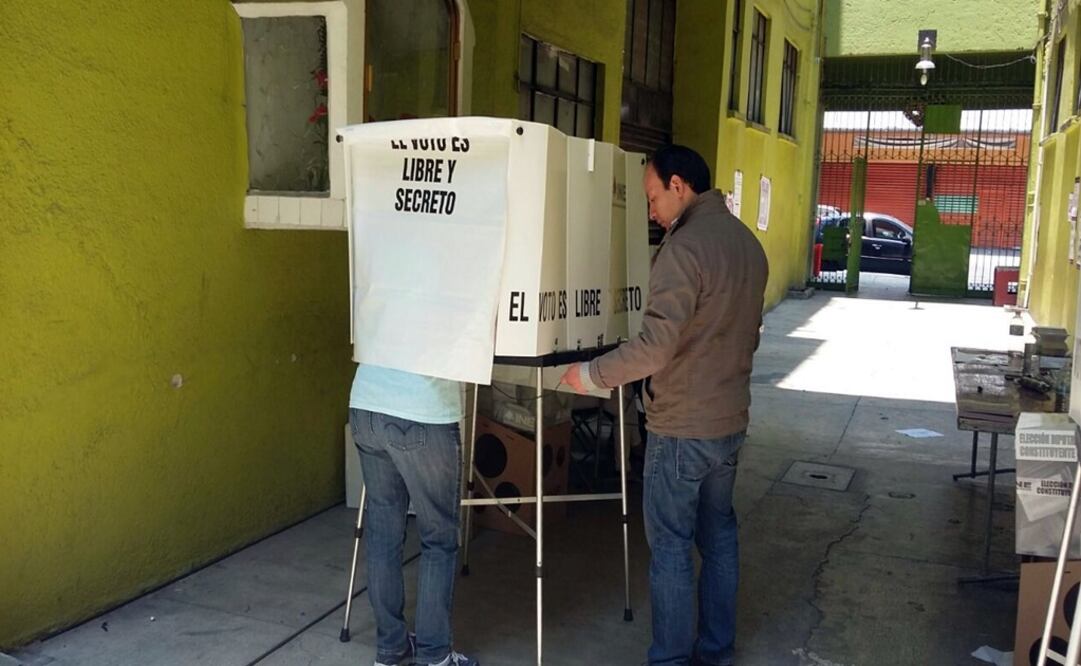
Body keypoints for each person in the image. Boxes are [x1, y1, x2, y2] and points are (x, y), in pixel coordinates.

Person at [561, 144, 768, 666]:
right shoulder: (749, 245)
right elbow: (748, 335)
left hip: (681, 426)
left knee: (672, 545)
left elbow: (654, 348)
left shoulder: (684, 249)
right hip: (730, 421)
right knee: (718, 536)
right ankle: (716, 651)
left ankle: (671, 658)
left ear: (679, 185)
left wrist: (590, 375)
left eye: (653, 198)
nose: (650, 211)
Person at [349, 364, 479, 666]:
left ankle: (390, 648)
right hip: (423, 407)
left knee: (383, 535)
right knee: (438, 539)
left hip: (365, 404)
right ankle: (434, 655)